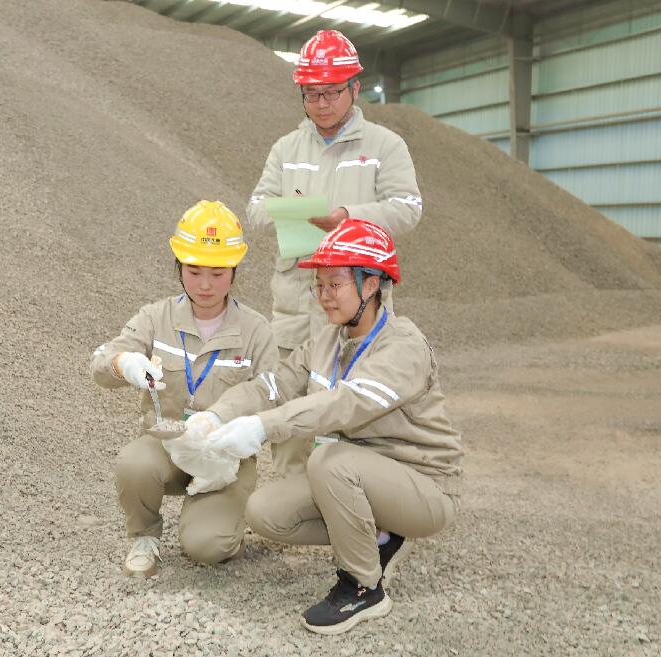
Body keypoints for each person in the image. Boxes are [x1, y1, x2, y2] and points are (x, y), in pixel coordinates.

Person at [184, 219, 461, 634]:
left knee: (328, 461)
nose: (324, 295)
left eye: (335, 284)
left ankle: (363, 587)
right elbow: (274, 384)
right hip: (358, 475)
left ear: (371, 285)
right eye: (319, 285)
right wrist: (220, 413)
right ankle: (381, 537)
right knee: (266, 512)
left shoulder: (403, 345)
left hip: (424, 486)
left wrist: (262, 427)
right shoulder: (327, 341)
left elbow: (345, 405)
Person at [246, 29, 424, 477]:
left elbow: (408, 208)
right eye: (311, 94)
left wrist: (348, 217)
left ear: (355, 88)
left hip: (357, 309)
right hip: (295, 306)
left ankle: (352, 499)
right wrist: (293, 213)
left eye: (331, 92)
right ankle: (290, 499)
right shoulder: (286, 149)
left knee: (356, 416)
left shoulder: (384, 146)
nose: (321, 103)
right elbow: (255, 209)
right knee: (290, 415)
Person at [90, 201, 277, 578]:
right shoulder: (155, 318)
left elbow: (273, 391)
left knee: (207, 548)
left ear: (234, 271)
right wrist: (124, 363)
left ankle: (225, 525)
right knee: (134, 463)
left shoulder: (256, 330)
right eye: (194, 271)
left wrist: (223, 418)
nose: (205, 285)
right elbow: (101, 364)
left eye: (217, 273)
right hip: (168, 446)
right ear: (179, 267)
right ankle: (144, 537)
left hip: (225, 458)